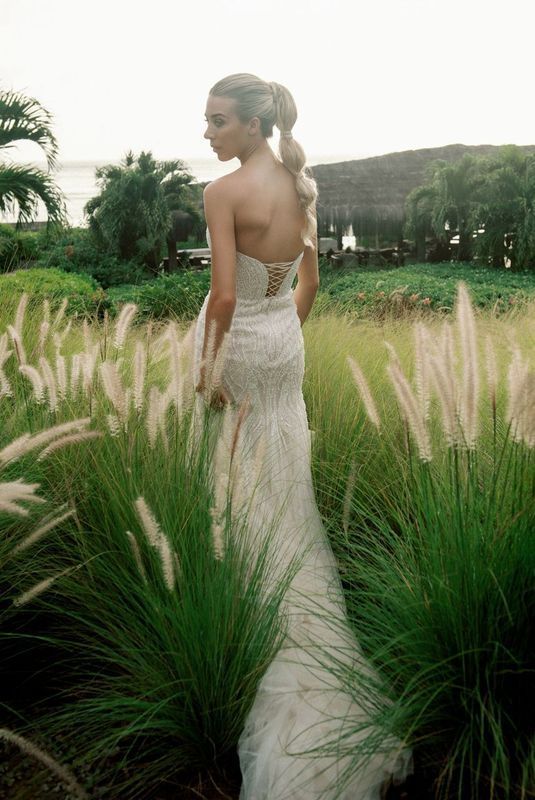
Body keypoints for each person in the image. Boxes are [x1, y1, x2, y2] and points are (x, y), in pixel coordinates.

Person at [191, 72, 412, 800]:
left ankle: (255, 634)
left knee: (237, 485)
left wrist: (207, 365)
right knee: (282, 482)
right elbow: (306, 281)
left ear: (252, 124)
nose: (208, 133)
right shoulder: (296, 182)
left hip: (240, 349)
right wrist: (283, 328)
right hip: (283, 344)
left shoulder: (222, 194)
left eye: (218, 121)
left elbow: (223, 294)